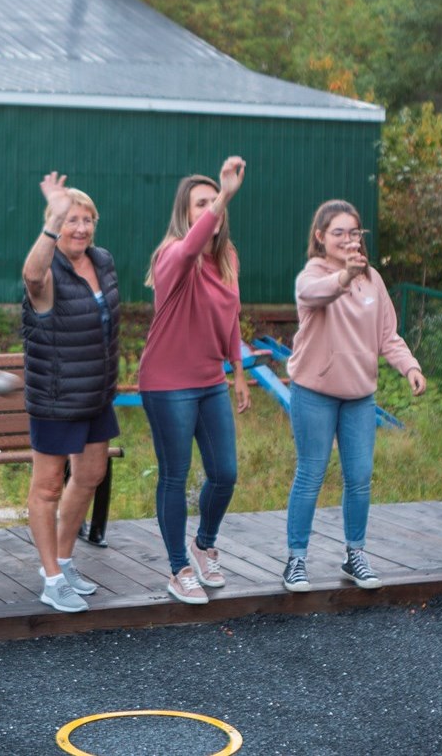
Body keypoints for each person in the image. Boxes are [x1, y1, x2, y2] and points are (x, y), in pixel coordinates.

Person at [281, 199, 425, 593]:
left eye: (353, 232)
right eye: (338, 232)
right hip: (314, 391)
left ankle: (355, 553)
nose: (348, 239)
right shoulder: (313, 274)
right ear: (321, 237)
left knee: (359, 477)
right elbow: (317, 295)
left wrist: (409, 366)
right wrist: (344, 276)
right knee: (311, 473)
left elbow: (387, 336)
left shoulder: (372, 280)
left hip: (359, 396)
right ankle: (296, 559)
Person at [138, 156, 252, 605]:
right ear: (186, 215)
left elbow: (231, 317)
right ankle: (177, 568)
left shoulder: (228, 259)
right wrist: (224, 196)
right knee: (175, 475)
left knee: (225, 473)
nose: (211, 209)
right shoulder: (172, 254)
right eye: (201, 204)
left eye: (214, 201)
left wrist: (237, 372)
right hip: (167, 383)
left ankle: (203, 545)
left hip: (209, 380)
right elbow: (190, 249)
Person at [21, 172, 121, 613]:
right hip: (57, 397)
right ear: (54, 225)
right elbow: (31, 273)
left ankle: (63, 559)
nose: (79, 228)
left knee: (91, 474)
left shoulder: (102, 261)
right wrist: (53, 215)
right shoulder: (48, 275)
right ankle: (51, 578)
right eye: (69, 219)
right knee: (47, 488)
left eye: (86, 219)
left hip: (96, 395)